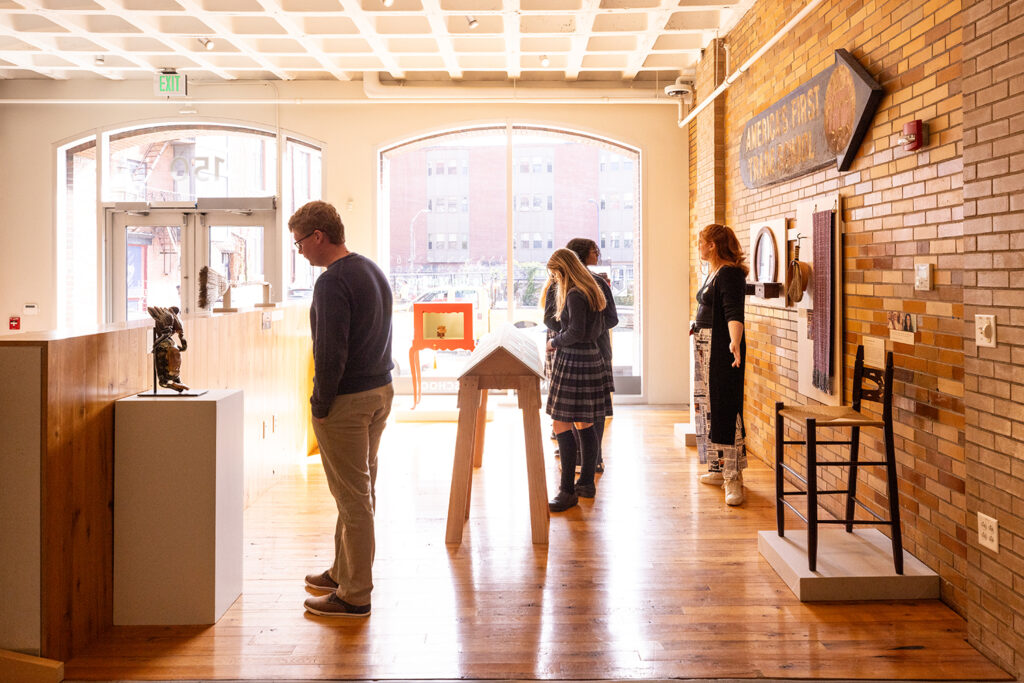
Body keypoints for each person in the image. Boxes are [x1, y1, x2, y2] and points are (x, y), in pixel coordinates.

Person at [289, 200, 395, 617]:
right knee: (360, 491)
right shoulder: (370, 268)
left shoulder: (332, 283)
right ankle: (341, 571)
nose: (299, 251)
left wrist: (319, 405)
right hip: (380, 392)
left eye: (300, 242)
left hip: (347, 401)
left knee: (353, 498)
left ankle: (354, 595)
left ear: (319, 236)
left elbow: (330, 351)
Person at [543, 248, 614, 512]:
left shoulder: (573, 293)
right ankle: (585, 483)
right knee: (585, 423)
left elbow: (575, 331)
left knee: (561, 423)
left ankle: (567, 491)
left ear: (563, 270)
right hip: (591, 359)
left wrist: (554, 342)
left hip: (573, 360)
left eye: (555, 273)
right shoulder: (592, 289)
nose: (554, 278)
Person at [693, 223, 748, 506]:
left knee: (726, 409)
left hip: (722, 349)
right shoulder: (714, 272)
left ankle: (733, 476)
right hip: (705, 347)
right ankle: (716, 467)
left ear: (712, 245)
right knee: (708, 409)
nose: (698, 247)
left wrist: (734, 342)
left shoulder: (730, 273)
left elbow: (733, 311)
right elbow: (711, 308)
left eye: (700, 242)